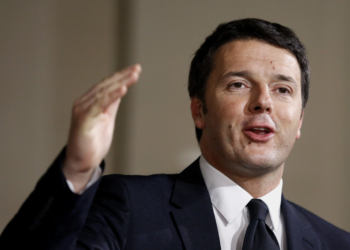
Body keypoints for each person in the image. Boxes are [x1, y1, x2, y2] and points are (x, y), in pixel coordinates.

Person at [0, 18, 349, 250]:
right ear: (199, 110)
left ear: (300, 119)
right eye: (238, 84)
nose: (263, 103)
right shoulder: (127, 208)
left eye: (283, 90)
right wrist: (76, 168)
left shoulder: (336, 243)